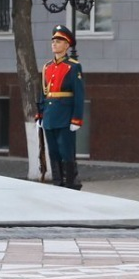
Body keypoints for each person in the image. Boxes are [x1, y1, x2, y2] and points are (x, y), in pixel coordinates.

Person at [37, 25, 85, 190]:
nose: (54, 44)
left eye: (58, 41)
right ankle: (57, 182)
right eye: (53, 41)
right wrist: (40, 115)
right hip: (50, 116)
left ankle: (70, 183)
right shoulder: (47, 67)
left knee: (66, 152)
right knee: (53, 152)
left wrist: (76, 119)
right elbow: (43, 93)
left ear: (67, 45)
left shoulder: (73, 66)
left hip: (65, 117)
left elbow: (79, 95)